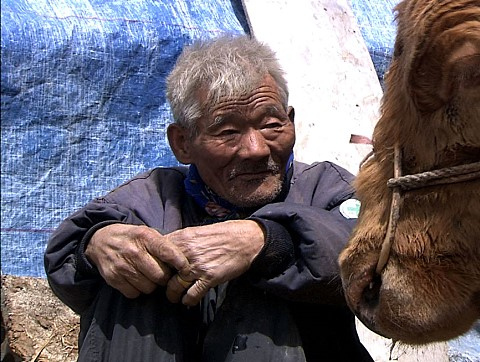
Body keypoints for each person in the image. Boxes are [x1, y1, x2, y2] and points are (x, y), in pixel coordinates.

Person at [44, 34, 373, 362]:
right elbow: (68, 254)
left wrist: (268, 242)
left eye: (272, 125)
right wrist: (96, 246)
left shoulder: (323, 186)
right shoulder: (154, 196)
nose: (256, 150)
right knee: (133, 276)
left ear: (291, 121)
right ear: (183, 143)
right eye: (228, 132)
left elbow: (368, 248)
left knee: (267, 279)